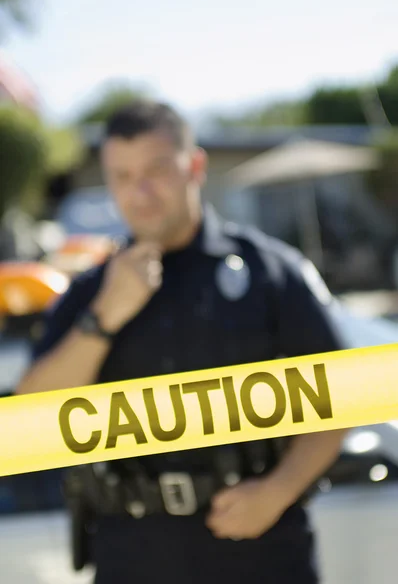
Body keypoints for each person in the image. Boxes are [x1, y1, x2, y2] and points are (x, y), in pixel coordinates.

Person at [16, 100, 348, 584]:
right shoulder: (90, 293)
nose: (140, 192)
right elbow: (31, 419)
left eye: (155, 171)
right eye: (122, 177)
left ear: (194, 167)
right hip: (133, 557)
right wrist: (105, 317)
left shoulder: (268, 271)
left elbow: (340, 401)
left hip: (263, 552)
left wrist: (279, 489)